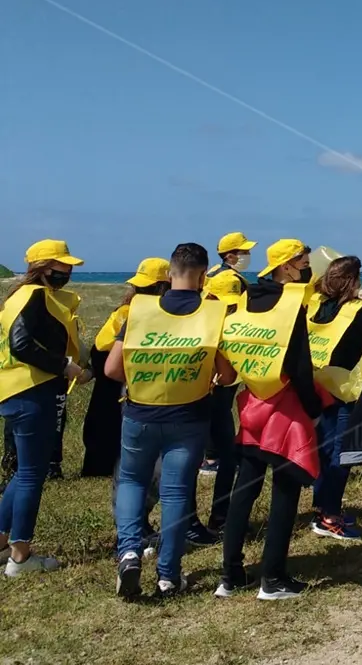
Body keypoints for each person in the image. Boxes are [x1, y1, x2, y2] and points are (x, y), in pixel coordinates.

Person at [107, 243, 236, 598]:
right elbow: (226, 375)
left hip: (139, 412)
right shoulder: (214, 312)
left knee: (133, 481)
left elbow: (111, 368)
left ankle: (130, 551)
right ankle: (168, 574)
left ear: (169, 274)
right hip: (189, 416)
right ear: (204, 275)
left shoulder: (140, 309)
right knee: (177, 492)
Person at [218, 239, 323, 600]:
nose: (308, 269)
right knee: (285, 492)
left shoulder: (245, 297)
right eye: (303, 263)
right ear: (286, 267)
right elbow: (299, 365)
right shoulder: (291, 303)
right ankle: (273, 579)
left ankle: (229, 576)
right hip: (285, 409)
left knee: (243, 491)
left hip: (251, 403)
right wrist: (313, 408)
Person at [0, 239, 88, 576]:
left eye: (68, 267)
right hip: (31, 391)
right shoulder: (34, 296)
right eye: (60, 266)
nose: (66, 272)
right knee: (32, 475)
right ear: (41, 267)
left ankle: (3, 541)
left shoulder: (19, 296)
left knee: (24, 472)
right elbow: (22, 345)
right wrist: (64, 366)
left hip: (17, 391)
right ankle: (20, 555)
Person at [307, 255, 362, 540]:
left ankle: (321, 507)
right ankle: (330, 515)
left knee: (323, 449)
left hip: (316, 385)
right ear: (353, 282)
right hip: (344, 390)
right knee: (341, 452)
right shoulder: (360, 311)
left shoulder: (314, 306)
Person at [79, 258, 171, 477]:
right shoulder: (139, 311)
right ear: (163, 287)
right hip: (119, 367)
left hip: (106, 364)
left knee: (101, 420)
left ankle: (97, 467)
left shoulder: (125, 308)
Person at [187, 270, 246, 540]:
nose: (230, 307)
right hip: (197, 401)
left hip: (223, 399)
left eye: (234, 302)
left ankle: (220, 516)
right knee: (188, 460)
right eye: (225, 302)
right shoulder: (197, 320)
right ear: (209, 296)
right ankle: (190, 523)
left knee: (230, 456)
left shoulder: (237, 320)